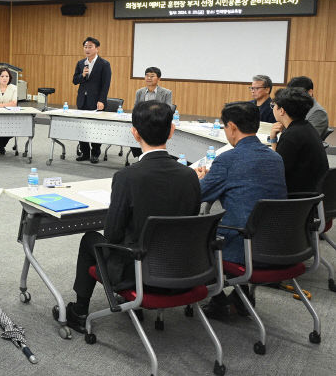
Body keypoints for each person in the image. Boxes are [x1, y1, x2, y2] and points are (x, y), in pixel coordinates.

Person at [65, 101, 200, 333]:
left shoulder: (127, 177)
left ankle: (79, 311)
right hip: (184, 268)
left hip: (139, 272)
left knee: (91, 239)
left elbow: (112, 234)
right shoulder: (190, 176)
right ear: (172, 131)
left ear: (134, 133)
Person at [196, 101, 286, 319]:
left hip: (244, 247)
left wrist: (201, 179)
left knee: (195, 237)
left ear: (232, 127)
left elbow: (198, 195)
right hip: (280, 244)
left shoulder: (228, 159)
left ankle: (219, 302)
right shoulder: (276, 158)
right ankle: (239, 298)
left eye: (225, 127)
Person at [268, 87, 328, 193]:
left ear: (281, 110)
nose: (273, 108)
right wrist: (273, 139)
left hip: (295, 198)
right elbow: (279, 160)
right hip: (311, 194)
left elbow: (275, 171)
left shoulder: (292, 136)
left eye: (274, 106)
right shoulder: (305, 127)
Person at [73, 36, 112, 163]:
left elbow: (106, 85)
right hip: (82, 100)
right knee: (82, 128)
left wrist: (101, 100)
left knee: (96, 128)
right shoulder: (80, 63)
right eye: (85, 47)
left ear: (97, 49)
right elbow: (75, 80)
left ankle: (95, 153)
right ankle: (85, 152)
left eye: (90, 47)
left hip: (96, 101)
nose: (87, 49)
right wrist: (82, 75)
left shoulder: (104, 64)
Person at [131, 67, 173, 158]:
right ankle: (140, 157)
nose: (149, 78)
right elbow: (136, 108)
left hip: (157, 122)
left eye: (152, 76)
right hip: (142, 122)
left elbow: (168, 109)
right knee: (133, 133)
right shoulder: (140, 92)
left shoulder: (166, 93)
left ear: (158, 79)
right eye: (147, 76)